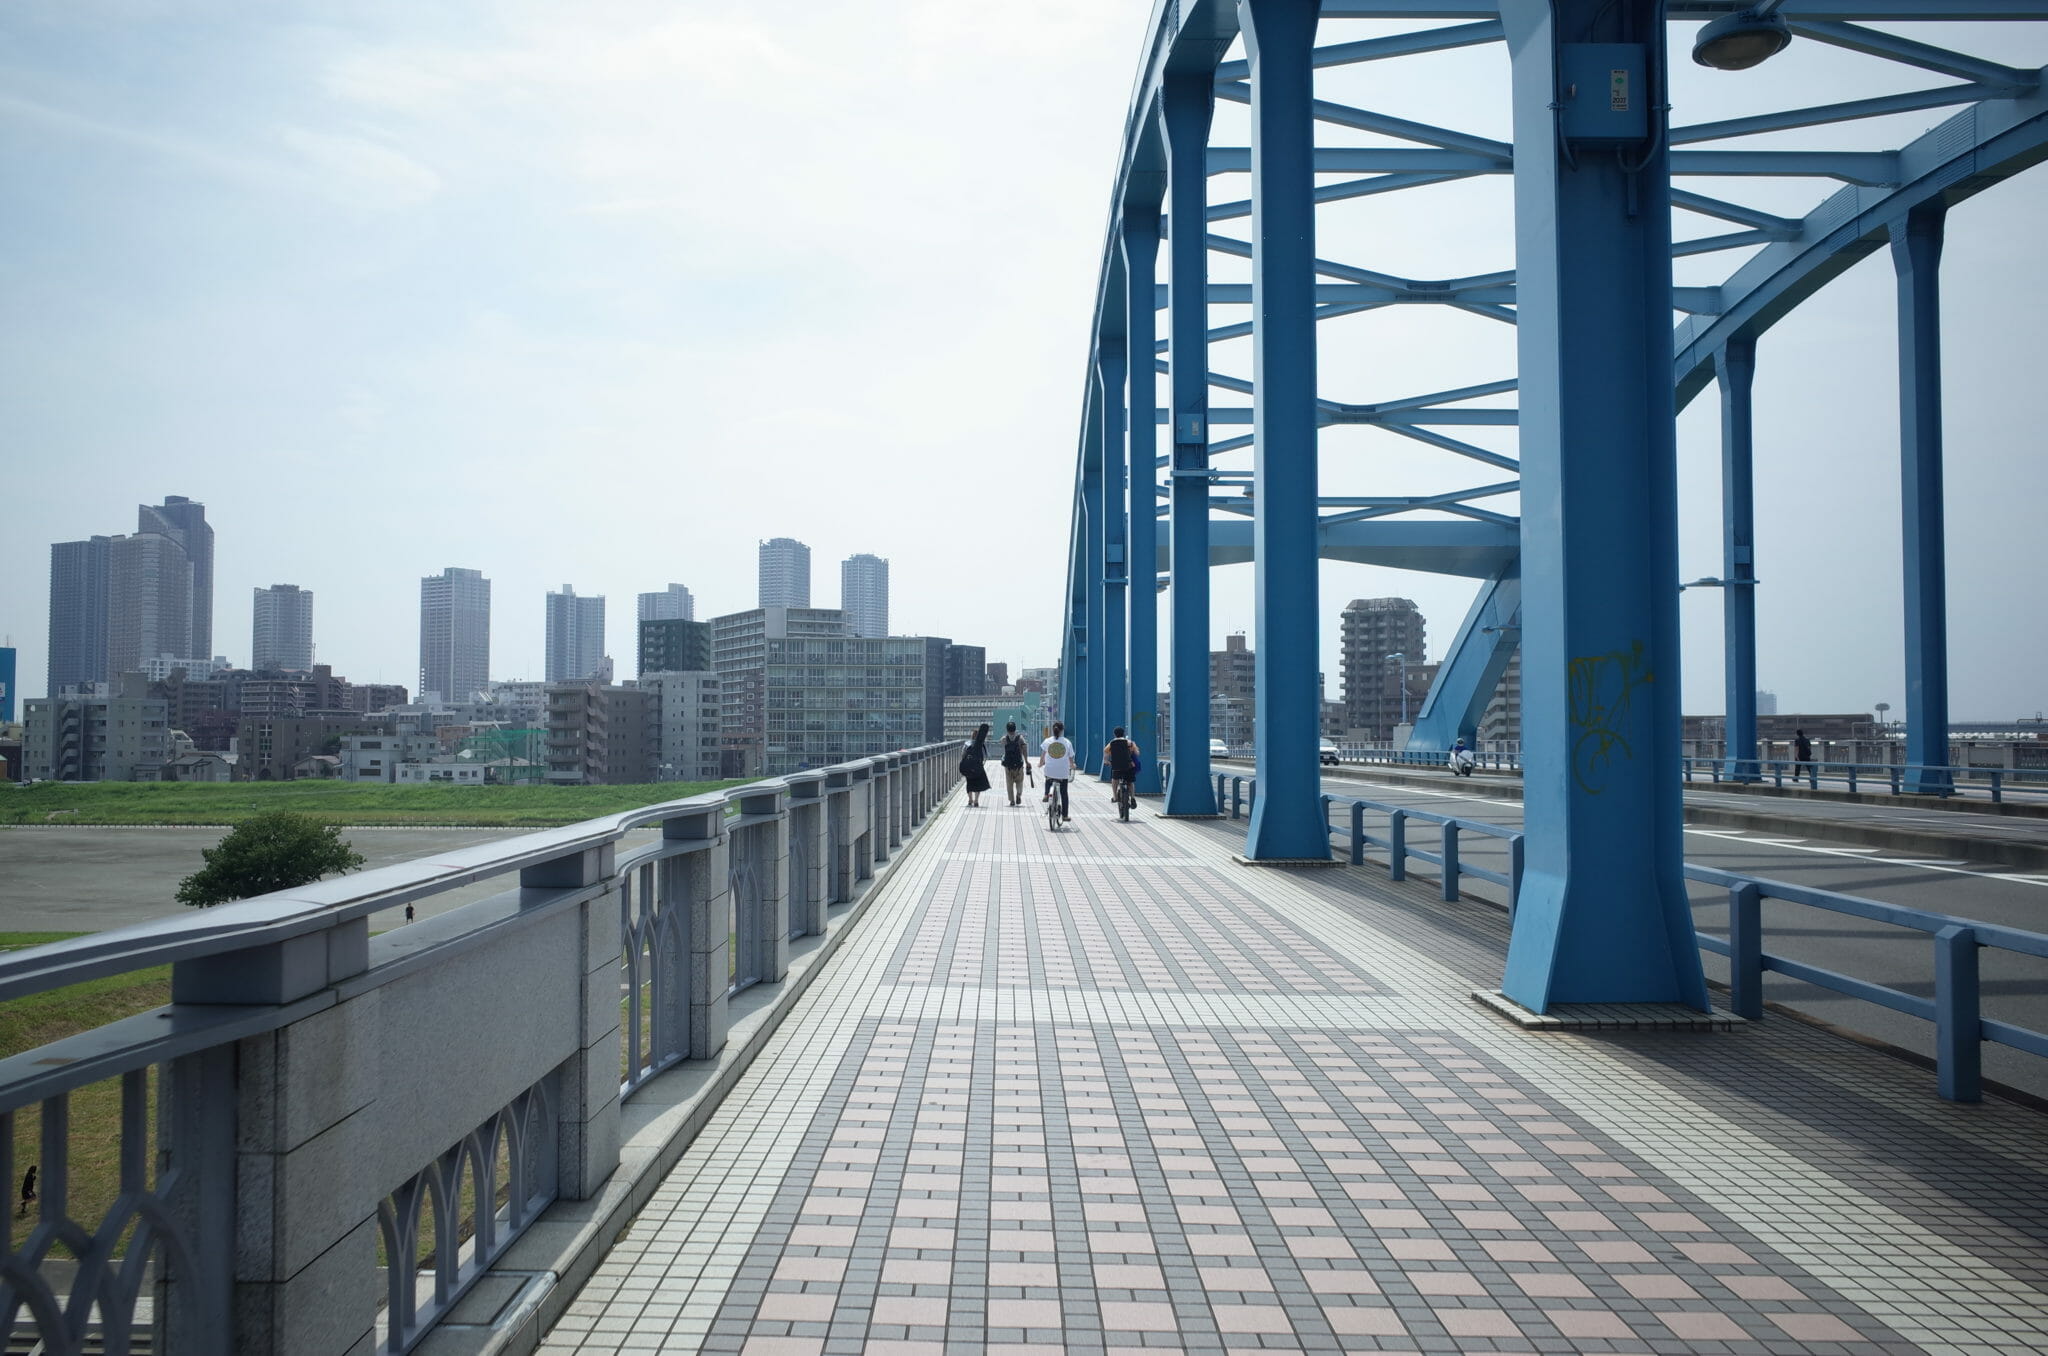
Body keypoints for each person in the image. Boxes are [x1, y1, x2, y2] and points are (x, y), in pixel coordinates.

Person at [1039, 721, 1075, 822]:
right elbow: (1070, 758)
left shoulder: (1047, 741)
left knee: (1048, 777)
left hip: (1050, 770)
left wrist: (1040, 763)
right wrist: (1072, 765)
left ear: (1052, 729)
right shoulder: (1067, 742)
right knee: (1064, 793)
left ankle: (1046, 794)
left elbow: (1043, 756)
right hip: (1062, 772)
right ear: (1062, 730)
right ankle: (1065, 815)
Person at [1103, 726, 1140, 811]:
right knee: (1130, 782)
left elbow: (1105, 751)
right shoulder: (1129, 742)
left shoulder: (1112, 743)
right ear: (1124, 734)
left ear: (1114, 734)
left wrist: (1106, 761)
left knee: (1114, 779)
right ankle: (1133, 798)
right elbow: (1137, 753)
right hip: (1129, 766)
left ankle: (1115, 797)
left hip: (1116, 766)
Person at [960, 722, 992, 807]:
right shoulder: (981, 745)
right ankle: (976, 800)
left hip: (968, 766)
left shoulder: (967, 743)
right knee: (978, 783)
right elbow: (986, 756)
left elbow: (963, 754)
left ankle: (970, 799)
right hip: (978, 767)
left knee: (969, 783)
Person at [999, 721, 1030, 806]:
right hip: (1018, 764)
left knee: (1009, 783)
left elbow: (1000, 742)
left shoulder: (1005, 738)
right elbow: (1024, 749)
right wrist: (1027, 761)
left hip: (1008, 765)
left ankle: (1012, 800)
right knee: (1019, 781)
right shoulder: (1020, 738)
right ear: (1015, 729)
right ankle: (1018, 794)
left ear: (1007, 729)